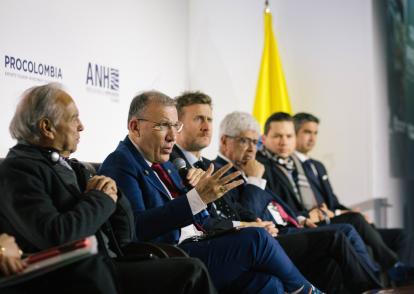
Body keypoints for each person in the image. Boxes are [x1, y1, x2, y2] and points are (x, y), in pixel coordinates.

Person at [0, 83, 217, 294]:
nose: (81, 126)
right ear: (47, 127)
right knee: (192, 270)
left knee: (192, 269)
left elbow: (125, 232)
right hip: (72, 273)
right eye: (74, 118)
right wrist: (101, 197)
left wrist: (113, 192)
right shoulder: (19, 169)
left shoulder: (70, 166)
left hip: (110, 262)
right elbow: (59, 234)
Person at [99, 90, 323, 293]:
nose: (172, 136)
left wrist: (240, 225)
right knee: (257, 239)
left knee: (266, 283)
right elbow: (136, 228)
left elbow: (203, 220)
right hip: (171, 256)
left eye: (175, 127)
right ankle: (309, 291)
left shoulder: (167, 163)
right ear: (135, 127)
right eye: (163, 126)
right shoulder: (121, 164)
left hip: (200, 243)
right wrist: (198, 198)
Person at [170, 92, 380, 293]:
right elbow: (228, 215)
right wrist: (253, 187)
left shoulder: (221, 166)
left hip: (268, 230)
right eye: (199, 119)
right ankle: (374, 289)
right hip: (238, 241)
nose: (253, 149)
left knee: (335, 252)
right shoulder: (187, 166)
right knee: (338, 234)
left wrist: (298, 218)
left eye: (255, 142)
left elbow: (252, 208)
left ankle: (376, 285)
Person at [257, 111, 414, 284]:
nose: (284, 141)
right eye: (278, 136)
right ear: (264, 139)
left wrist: (338, 211)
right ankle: (385, 275)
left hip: (317, 217)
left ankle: (393, 275)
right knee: (351, 224)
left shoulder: (298, 164)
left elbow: (331, 200)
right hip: (296, 225)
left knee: (398, 233)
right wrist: (308, 215)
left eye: (288, 136)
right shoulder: (263, 166)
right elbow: (277, 208)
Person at [293, 112, 414, 266]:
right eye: (307, 132)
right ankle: (395, 266)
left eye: (315, 133)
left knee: (402, 235)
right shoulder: (291, 166)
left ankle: (402, 280)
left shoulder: (318, 166)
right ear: (295, 132)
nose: (312, 138)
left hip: (337, 217)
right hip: (319, 223)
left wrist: (350, 211)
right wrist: (342, 214)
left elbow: (334, 202)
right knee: (356, 220)